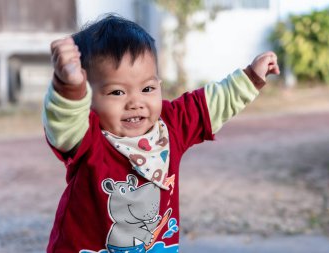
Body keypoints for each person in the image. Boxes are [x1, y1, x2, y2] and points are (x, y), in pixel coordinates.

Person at [43, 14, 279, 253]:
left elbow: (209, 105)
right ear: (89, 100)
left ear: (159, 84)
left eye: (147, 88)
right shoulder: (88, 136)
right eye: (117, 92)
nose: (136, 102)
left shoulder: (170, 125)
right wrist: (69, 87)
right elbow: (64, 125)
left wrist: (250, 78)